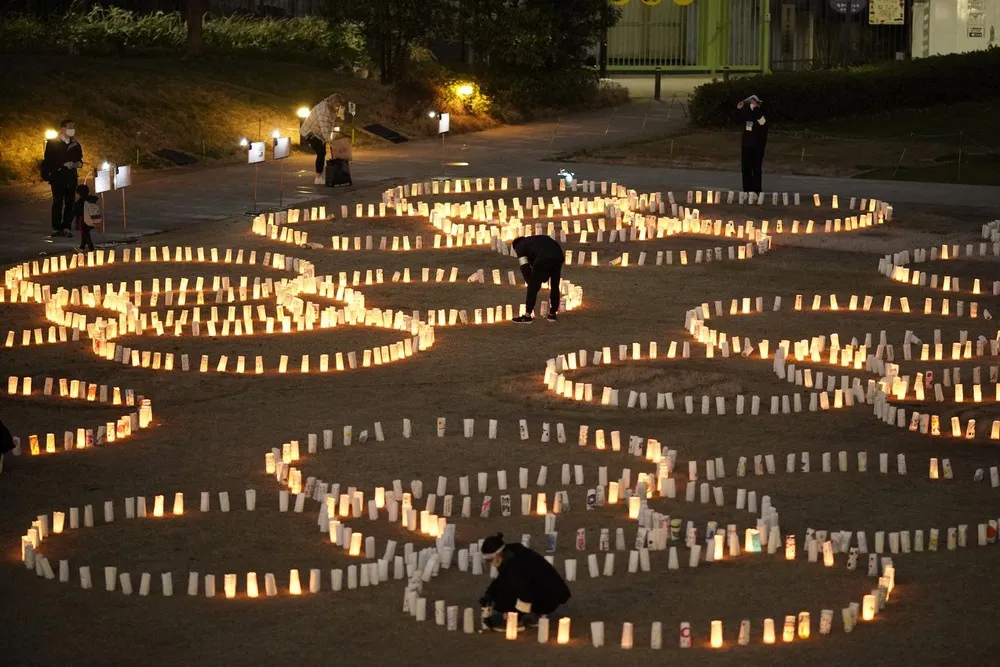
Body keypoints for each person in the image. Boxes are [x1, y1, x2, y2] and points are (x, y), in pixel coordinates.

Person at [478, 533, 571, 632]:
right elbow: (501, 579)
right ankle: (532, 613)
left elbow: (525, 594)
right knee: (501, 592)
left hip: (549, 596)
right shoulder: (510, 554)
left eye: (490, 560)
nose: (490, 563)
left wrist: (512, 616)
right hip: (544, 589)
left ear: (497, 555)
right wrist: (489, 594)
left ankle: (522, 620)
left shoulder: (516, 565)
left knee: (506, 595)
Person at [41, 120, 84, 237]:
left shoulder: (75, 144)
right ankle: (56, 227)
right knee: (57, 202)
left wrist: (76, 164)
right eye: (70, 127)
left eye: (73, 127)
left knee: (70, 203)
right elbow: (49, 160)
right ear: (62, 129)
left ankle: (66, 227)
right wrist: (62, 164)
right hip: (58, 177)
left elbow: (80, 160)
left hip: (71, 177)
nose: (72, 130)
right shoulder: (52, 143)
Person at [510, 235, 564, 323]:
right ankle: (552, 314)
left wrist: (532, 283)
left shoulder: (519, 246)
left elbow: (525, 268)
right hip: (558, 255)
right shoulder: (533, 240)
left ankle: (527, 316)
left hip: (543, 258)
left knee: (532, 286)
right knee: (555, 285)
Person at [300, 94, 346, 185]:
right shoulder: (323, 111)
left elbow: (331, 123)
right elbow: (324, 128)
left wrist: (330, 139)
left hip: (319, 132)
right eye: (336, 105)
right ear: (331, 102)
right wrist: (329, 141)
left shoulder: (332, 108)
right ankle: (318, 178)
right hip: (310, 132)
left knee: (323, 152)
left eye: (339, 105)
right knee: (321, 152)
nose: (338, 107)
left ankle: (322, 172)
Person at [736, 94, 768, 194]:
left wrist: (756, 110)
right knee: (746, 168)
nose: (753, 104)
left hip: (758, 146)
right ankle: (747, 190)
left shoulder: (761, 113)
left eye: (755, 102)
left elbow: (763, 123)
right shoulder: (747, 113)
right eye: (752, 102)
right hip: (746, 145)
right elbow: (737, 119)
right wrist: (739, 109)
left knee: (756, 168)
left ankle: (757, 190)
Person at [74, 183, 102, 252]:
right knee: (85, 234)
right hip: (89, 220)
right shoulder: (89, 200)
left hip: (83, 221)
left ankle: (91, 249)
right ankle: (81, 247)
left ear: (79, 194)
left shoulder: (80, 202)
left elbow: (76, 211)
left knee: (86, 235)